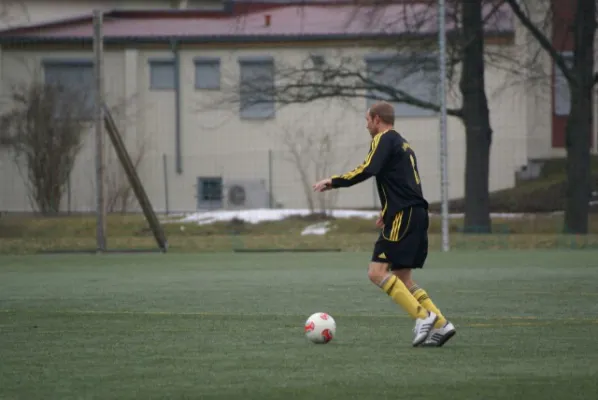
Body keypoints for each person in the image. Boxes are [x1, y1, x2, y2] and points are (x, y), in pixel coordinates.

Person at [312, 101, 455, 347]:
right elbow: (402, 183)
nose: (366, 125)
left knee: (376, 272)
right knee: (402, 277)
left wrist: (334, 181)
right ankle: (441, 324)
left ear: (377, 119)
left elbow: (368, 169)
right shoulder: (402, 143)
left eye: (367, 120)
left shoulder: (383, 139)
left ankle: (422, 316)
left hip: (404, 215)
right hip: (415, 213)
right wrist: (387, 211)